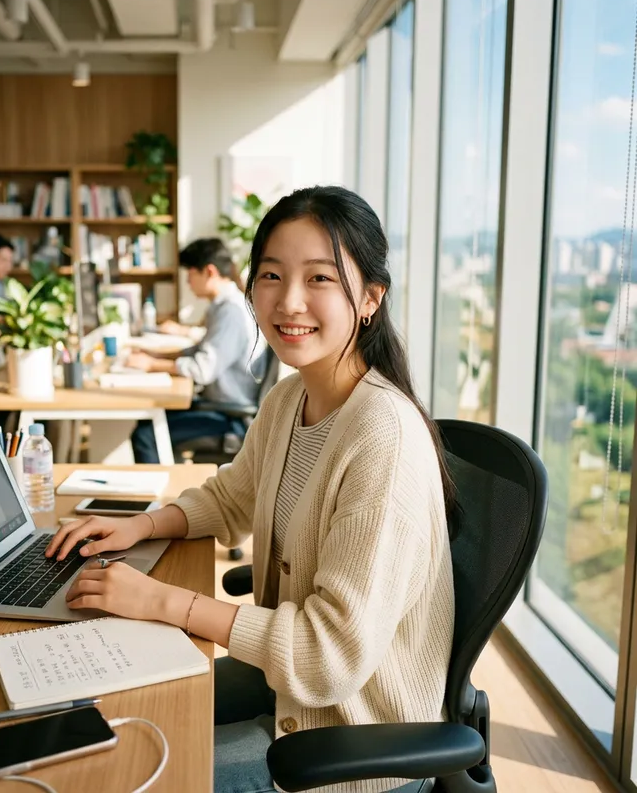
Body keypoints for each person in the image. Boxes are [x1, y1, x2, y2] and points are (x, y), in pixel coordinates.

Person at [45, 186, 456, 793]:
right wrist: (140, 525)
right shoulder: (291, 398)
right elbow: (231, 499)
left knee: (126, 766)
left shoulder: (382, 438)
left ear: (371, 298)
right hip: (288, 685)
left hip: (354, 734)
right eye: (271, 274)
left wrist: (163, 601)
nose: (289, 300)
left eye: (320, 278)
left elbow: (328, 657)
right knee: (106, 708)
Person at [128, 237, 264, 464]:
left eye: (190, 274)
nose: (188, 282)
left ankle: (160, 497)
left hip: (229, 416)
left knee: (146, 435)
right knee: (150, 421)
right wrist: (159, 356)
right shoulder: (222, 306)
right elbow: (201, 350)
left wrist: (151, 365)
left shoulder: (231, 312)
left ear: (209, 272)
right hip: (220, 405)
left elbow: (202, 370)